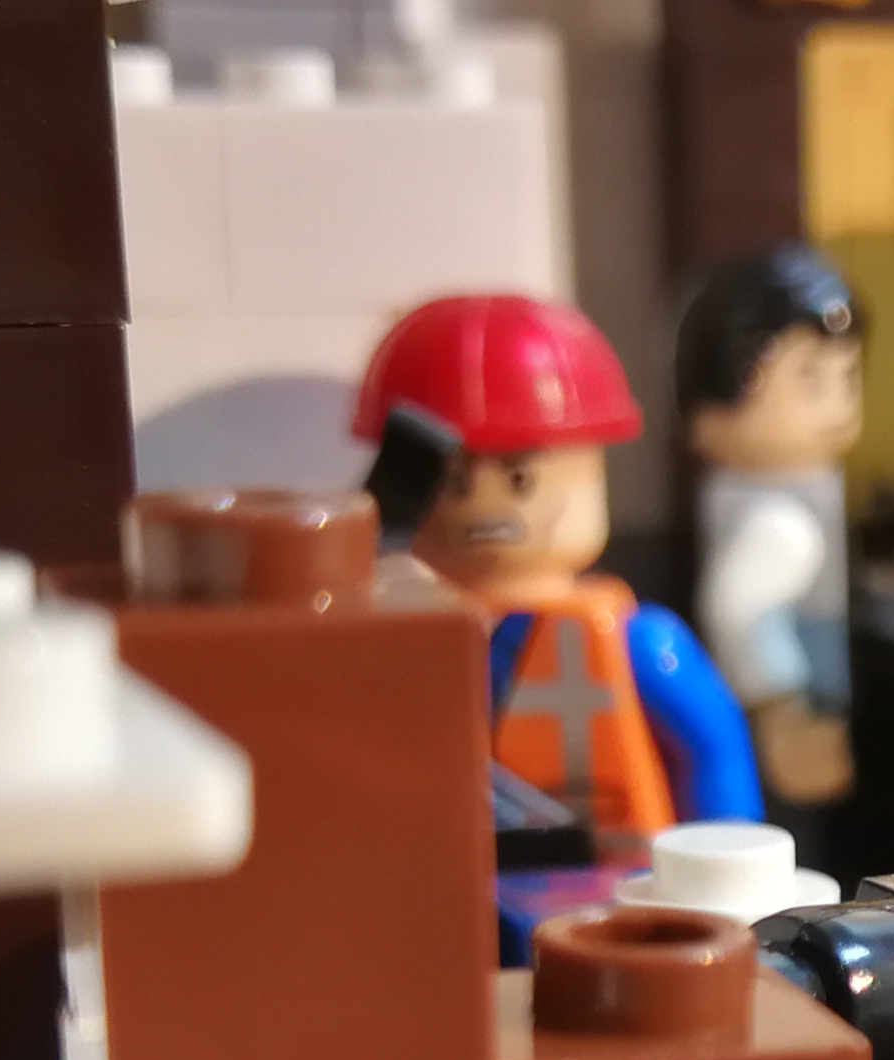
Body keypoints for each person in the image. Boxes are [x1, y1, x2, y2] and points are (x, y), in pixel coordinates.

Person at [356, 294, 761, 835]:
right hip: (457, 864)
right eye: (454, 483)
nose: (487, 508)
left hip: (619, 872)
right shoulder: (407, 637)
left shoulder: (638, 642)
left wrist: (733, 862)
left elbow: (712, 746)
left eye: (520, 478)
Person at [679, 247, 864, 845]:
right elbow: (738, 609)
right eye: (810, 380)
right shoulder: (779, 517)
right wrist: (784, 711)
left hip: (790, 715)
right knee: (792, 844)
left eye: (848, 378)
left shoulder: (776, 496)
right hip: (788, 720)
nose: (837, 405)